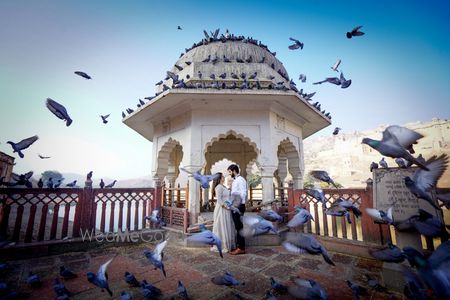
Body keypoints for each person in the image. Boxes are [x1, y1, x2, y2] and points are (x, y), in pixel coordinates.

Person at [211, 172, 236, 253]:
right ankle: (223, 245)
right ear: (219, 178)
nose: (224, 177)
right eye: (222, 177)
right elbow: (219, 200)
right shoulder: (218, 187)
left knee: (227, 225)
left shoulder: (223, 186)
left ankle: (229, 244)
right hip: (222, 209)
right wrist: (226, 207)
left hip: (226, 208)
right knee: (221, 226)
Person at [227, 164, 247, 255]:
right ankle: (240, 246)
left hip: (238, 205)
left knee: (239, 227)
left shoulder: (241, 180)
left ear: (234, 170)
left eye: (230, 172)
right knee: (237, 226)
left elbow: (244, 193)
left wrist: (240, 205)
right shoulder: (236, 180)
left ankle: (241, 248)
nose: (229, 174)